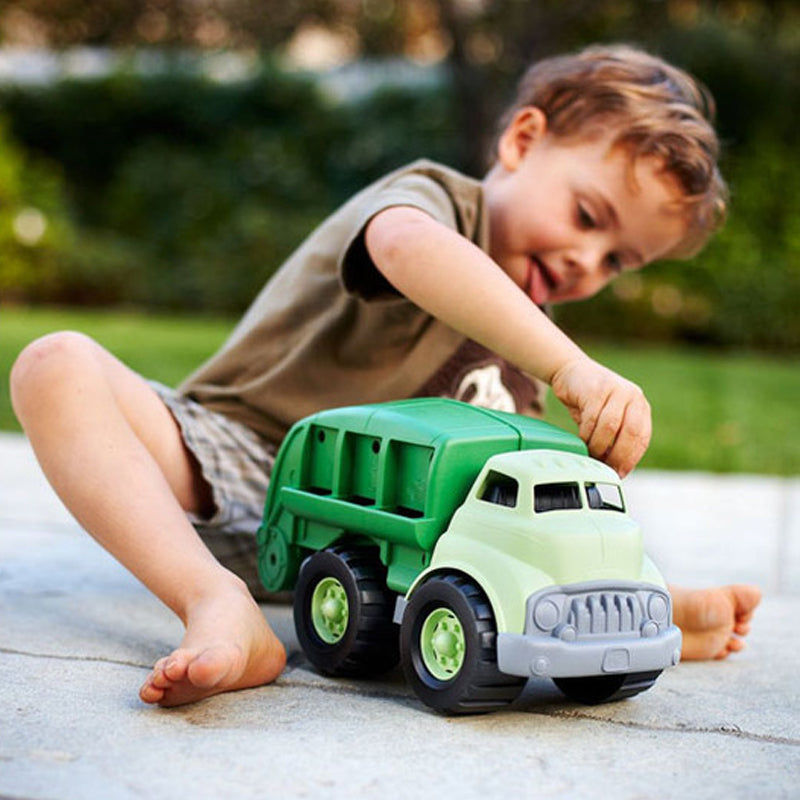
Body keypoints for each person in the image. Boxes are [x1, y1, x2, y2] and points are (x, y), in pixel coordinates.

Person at [9, 44, 761, 708]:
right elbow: (404, 247)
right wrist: (568, 366)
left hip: (372, 547)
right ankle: (215, 600)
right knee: (57, 364)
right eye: (589, 218)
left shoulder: (526, 345)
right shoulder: (434, 205)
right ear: (524, 140)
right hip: (232, 464)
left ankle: (641, 614)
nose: (584, 264)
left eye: (618, 262)